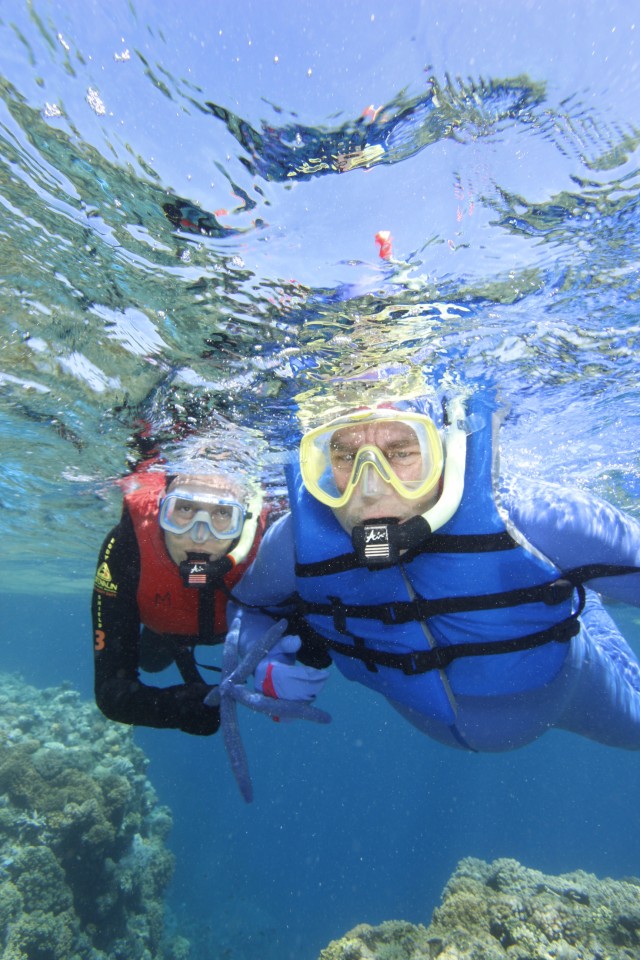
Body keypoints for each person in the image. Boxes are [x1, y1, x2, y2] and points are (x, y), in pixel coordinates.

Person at [230, 391, 640, 753]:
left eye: (402, 452)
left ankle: (586, 604)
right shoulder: (295, 544)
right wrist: (266, 663)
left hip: (575, 690)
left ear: (444, 449)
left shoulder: (536, 519)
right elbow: (248, 607)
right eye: (345, 457)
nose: (369, 488)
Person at [92, 465, 264, 736]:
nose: (199, 536)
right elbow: (111, 691)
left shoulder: (270, 542)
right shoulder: (127, 545)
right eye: (183, 509)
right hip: (162, 629)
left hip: (237, 631)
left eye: (222, 513)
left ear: (245, 521)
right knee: (151, 662)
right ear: (162, 510)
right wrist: (175, 708)